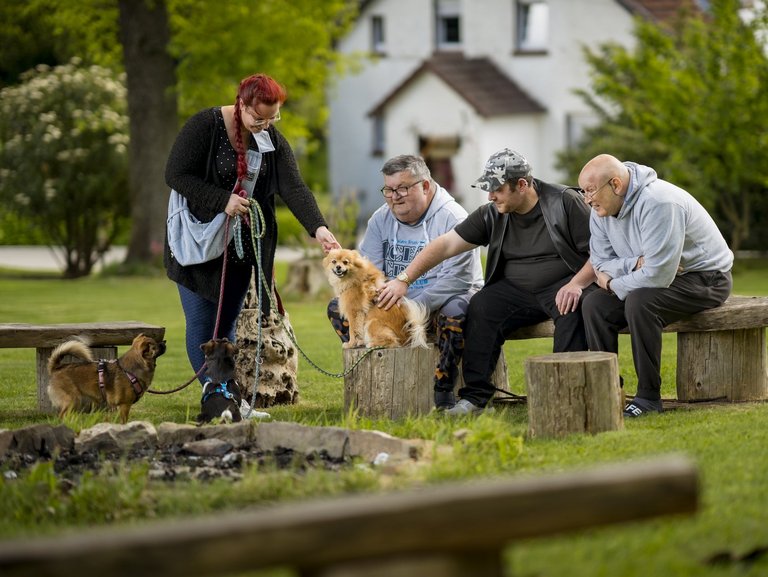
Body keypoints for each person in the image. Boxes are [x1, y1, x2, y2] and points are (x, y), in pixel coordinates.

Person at [165, 73, 340, 417]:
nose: (265, 125)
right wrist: (222, 200)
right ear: (241, 104)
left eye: (272, 118)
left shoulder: (270, 138)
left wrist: (319, 229)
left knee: (226, 327)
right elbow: (176, 175)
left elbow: (294, 188)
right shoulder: (206, 125)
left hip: (240, 248)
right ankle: (219, 399)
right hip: (197, 244)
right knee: (203, 326)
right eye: (258, 118)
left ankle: (228, 402)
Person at [378, 148, 596, 416]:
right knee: (481, 305)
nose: (490, 196)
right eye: (487, 189)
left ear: (522, 185)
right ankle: (476, 399)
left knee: (570, 308)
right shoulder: (492, 212)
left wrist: (577, 284)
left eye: (497, 189)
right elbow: (446, 245)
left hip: (562, 285)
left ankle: (564, 396)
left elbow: (599, 252)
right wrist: (404, 279)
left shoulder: (564, 202)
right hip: (516, 290)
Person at [578, 154, 733, 417]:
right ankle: (607, 391)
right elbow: (601, 261)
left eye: (590, 191)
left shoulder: (659, 202)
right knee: (594, 303)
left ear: (615, 184)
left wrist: (613, 282)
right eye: (583, 192)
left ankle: (648, 398)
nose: (587, 199)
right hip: (653, 278)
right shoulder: (600, 209)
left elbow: (657, 276)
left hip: (706, 277)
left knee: (641, 303)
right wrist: (634, 263)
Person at [327, 154, 484, 410]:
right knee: (339, 308)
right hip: (395, 304)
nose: (394, 196)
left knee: (455, 312)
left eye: (402, 188)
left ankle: (444, 388)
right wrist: (374, 297)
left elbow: (457, 279)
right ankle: (379, 380)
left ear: (425, 185)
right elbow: (369, 271)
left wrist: (408, 307)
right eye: (388, 189)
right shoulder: (380, 219)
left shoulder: (453, 218)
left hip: (445, 298)